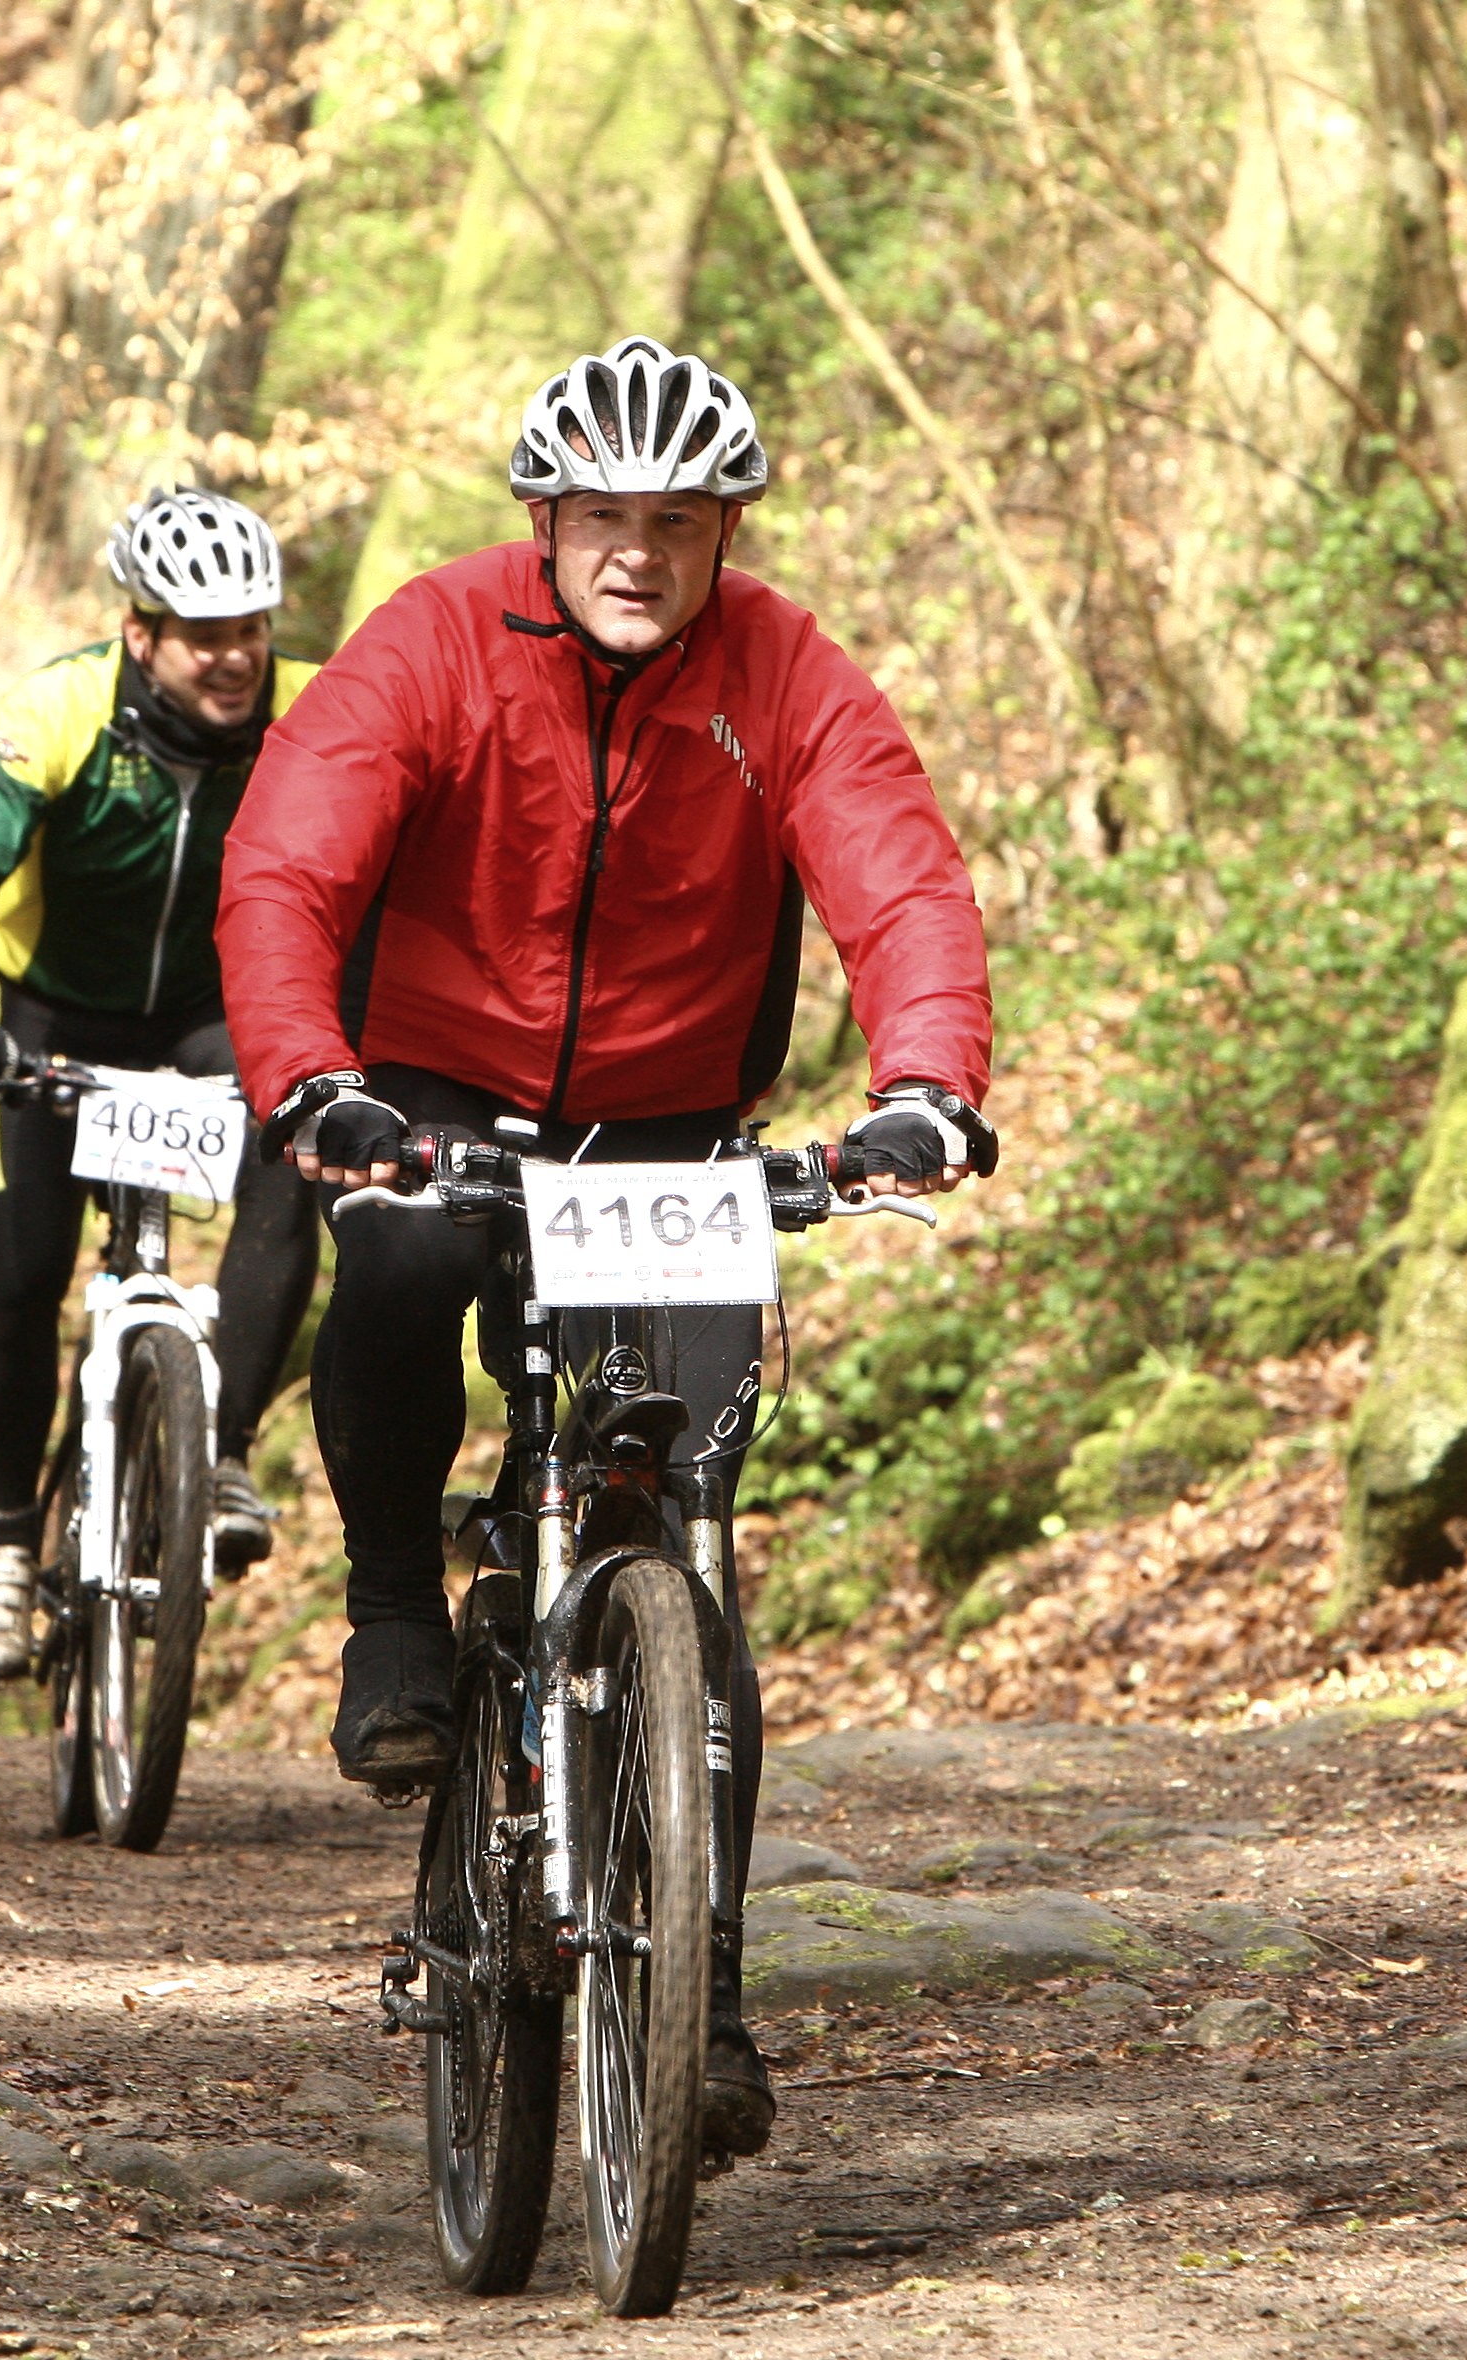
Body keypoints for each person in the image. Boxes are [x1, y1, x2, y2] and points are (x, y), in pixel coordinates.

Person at [215, 337, 998, 2160]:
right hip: (435, 1083)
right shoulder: (433, 640)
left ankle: (699, 1996)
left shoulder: (783, 671)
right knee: (398, 1272)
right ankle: (395, 1616)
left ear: (726, 531)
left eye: (679, 522)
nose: (638, 554)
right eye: (602, 518)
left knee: (689, 1538)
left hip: (673, 1121)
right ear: (542, 517)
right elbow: (288, 865)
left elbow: (897, 875)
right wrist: (313, 1078)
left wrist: (924, 1088)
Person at [0, 485, 327, 1683]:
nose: (237, 656)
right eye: (205, 636)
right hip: (48, 1018)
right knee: (21, 1269)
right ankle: (5, 1547)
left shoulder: (309, 711)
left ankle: (221, 1452)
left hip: (208, 1016)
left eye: (253, 630)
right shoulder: (61, 709)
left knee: (291, 1148)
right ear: (140, 634)